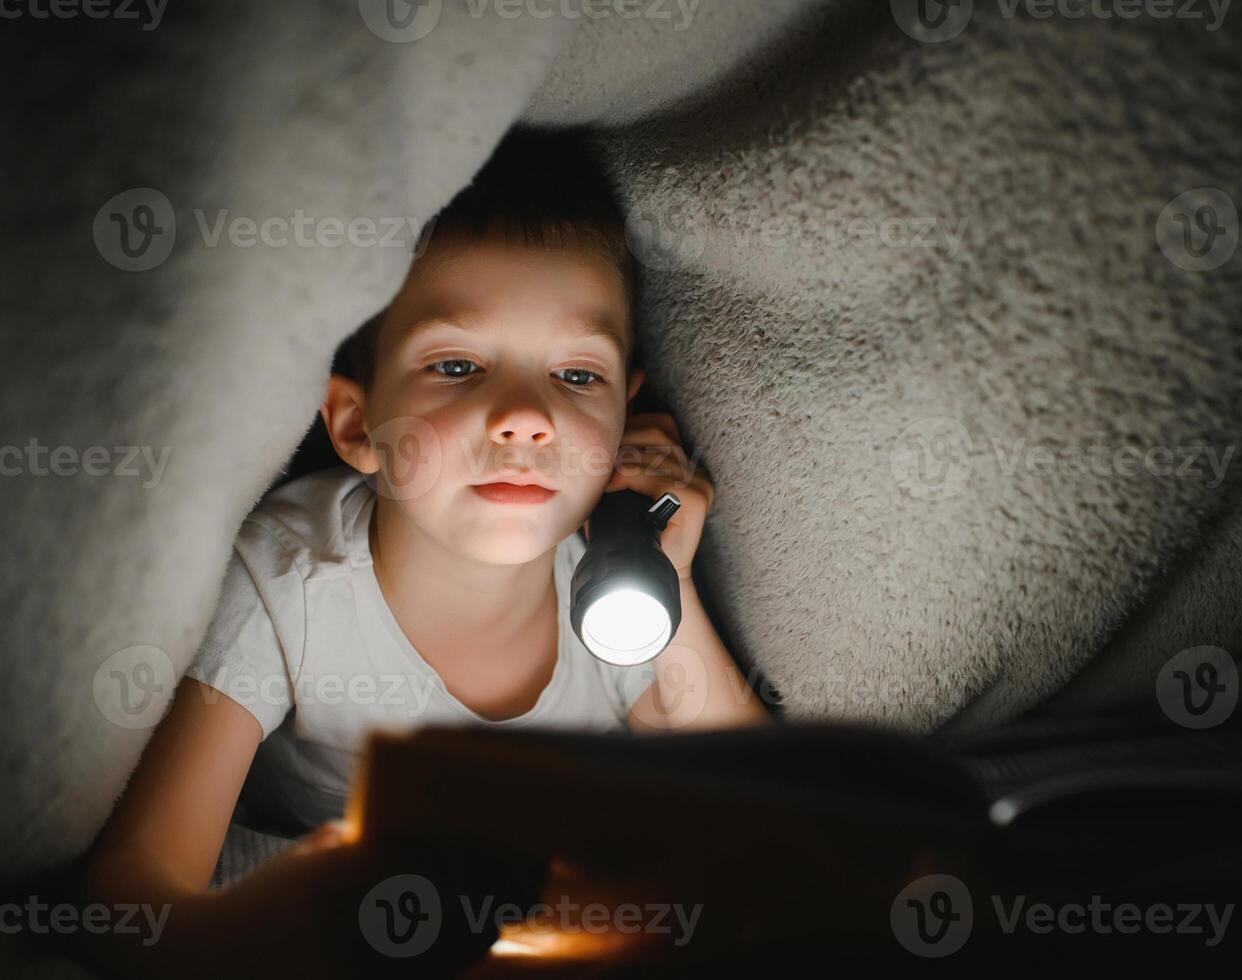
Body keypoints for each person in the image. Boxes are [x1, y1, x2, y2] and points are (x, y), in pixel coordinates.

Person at [71, 128, 771, 979]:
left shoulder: (610, 585)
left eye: (577, 376)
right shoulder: (288, 580)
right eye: (456, 364)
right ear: (358, 424)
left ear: (626, 416)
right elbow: (131, 891)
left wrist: (669, 572)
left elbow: (761, 801)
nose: (526, 417)